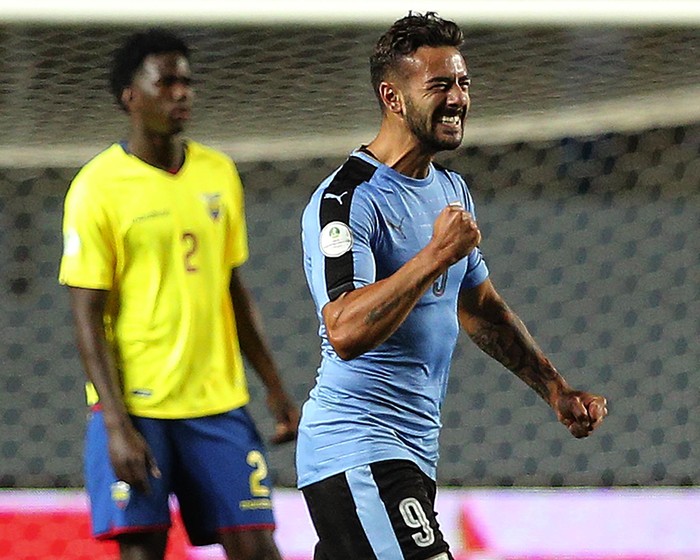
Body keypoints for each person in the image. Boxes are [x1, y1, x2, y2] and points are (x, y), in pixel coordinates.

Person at [297, 12, 608, 560]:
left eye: (463, 82)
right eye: (439, 84)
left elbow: (480, 308)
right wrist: (435, 254)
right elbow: (343, 329)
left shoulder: (451, 189)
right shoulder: (346, 200)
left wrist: (555, 389)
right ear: (393, 98)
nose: (458, 98)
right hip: (357, 447)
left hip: (413, 452)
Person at [59, 29, 298, 560]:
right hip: (137, 407)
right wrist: (115, 423)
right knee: (143, 551)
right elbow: (86, 316)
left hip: (218, 402)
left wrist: (276, 389)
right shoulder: (97, 187)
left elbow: (233, 289)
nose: (181, 92)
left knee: (258, 548)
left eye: (187, 81)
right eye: (165, 81)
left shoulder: (218, 172)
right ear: (130, 96)